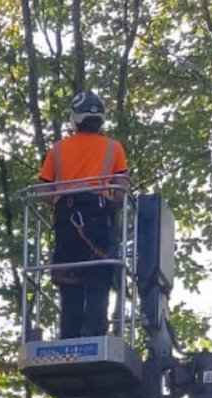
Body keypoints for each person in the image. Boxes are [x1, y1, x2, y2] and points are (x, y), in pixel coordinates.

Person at [37, 90, 129, 340]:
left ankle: (69, 337)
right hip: (98, 216)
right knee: (99, 276)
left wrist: (59, 200)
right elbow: (121, 192)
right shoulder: (114, 148)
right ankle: (96, 336)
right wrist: (110, 204)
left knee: (69, 279)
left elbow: (44, 190)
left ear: (74, 119)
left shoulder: (58, 149)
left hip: (66, 219)